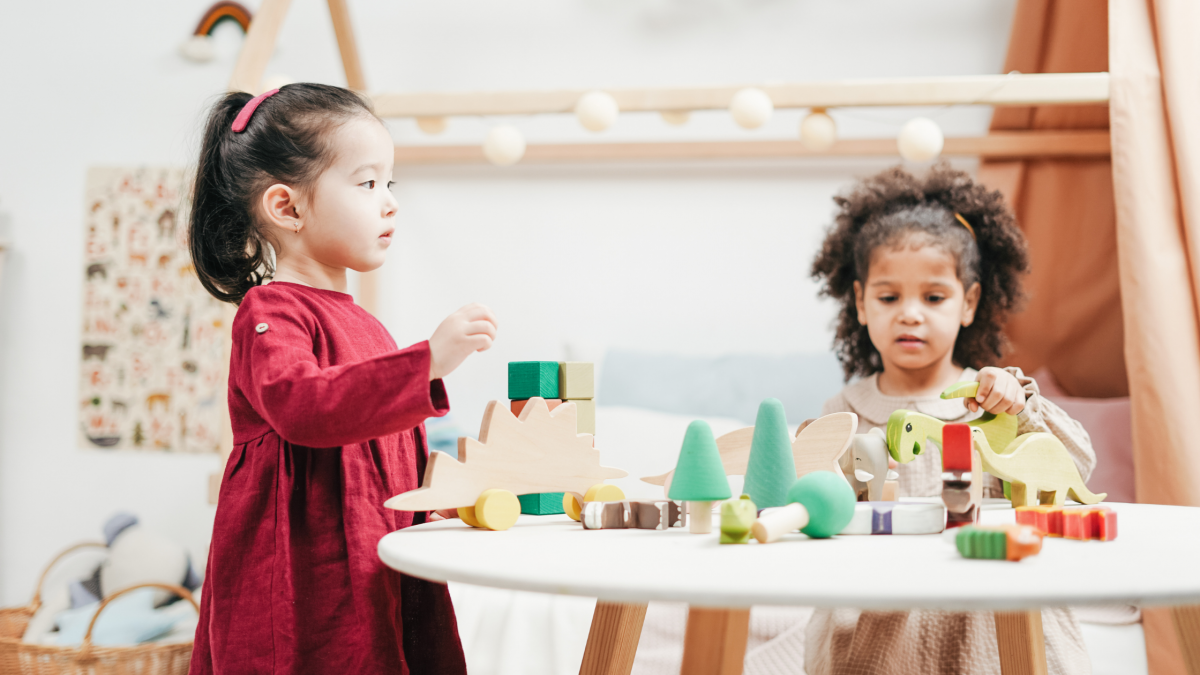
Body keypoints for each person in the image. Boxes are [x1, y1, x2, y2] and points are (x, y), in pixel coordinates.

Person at [186, 83, 496, 674]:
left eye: (390, 183)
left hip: (376, 559)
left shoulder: (368, 326)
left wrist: (434, 503)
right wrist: (426, 361)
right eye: (367, 183)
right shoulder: (271, 313)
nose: (390, 203)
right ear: (288, 208)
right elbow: (306, 408)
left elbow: (390, 449)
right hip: (305, 575)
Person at [805, 164, 1096, 674]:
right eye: (889, 297)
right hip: (882, 607)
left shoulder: (994, 396)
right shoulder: (843, 411)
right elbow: (815, 507)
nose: (910, 313)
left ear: (969, 302)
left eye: (934, 297)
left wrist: (1021, 407)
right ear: (861, 302)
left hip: (986, 603)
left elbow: (1077, 468)